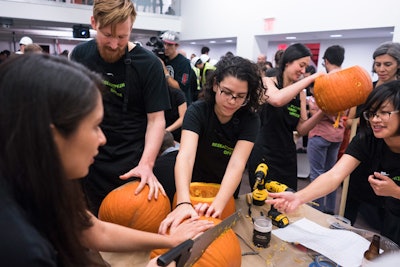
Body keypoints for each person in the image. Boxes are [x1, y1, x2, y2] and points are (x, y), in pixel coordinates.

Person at [0, 53, 213, 266]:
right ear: (52, 136)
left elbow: (91, 229)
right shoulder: (22, 250)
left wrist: (169, 240)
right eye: (94, 127)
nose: (102, 139)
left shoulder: (36, 180)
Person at [267, 80, 400, 246]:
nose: (375, 119)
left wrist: (396, 191)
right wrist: (298, 197)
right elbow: (334, 175)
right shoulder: (368, 139)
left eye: (384, 113)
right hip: (391, 213)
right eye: (371, 113)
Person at [70, 0, 171, 216]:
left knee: (128, 216)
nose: (115, 44)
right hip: (91, 157)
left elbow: (156, 120)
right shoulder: (80, 56)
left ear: (131, 29)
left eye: (122, 37)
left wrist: (147, 164)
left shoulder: (149, 64)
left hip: (133, 160)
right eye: (107, 35)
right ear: (93, 22)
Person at [159, 56, 265, 234]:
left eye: (240, 97)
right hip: (192, 187)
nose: (232, 101)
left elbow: (236, 164)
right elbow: (186, 156)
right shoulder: (198, 111)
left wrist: (219, 204)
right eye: (227, 92)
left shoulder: (250, 120)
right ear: (216, 85)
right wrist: (184, 201)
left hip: (224, 189)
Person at [248, 43, 324, 191]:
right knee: (262, 202)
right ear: (288, 62)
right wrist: (310, 79)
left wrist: (323, 112)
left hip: (287, 156)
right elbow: (277, 100)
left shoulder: (300, 93)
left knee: (286, 201)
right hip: (265, 154)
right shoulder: (266, 82)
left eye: (305, 67)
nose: (303, 71)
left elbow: (301, 129)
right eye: (301, 65)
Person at [344, 41, 400, 229]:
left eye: (387, 64)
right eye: (378, 64)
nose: (381, 68)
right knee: (353, 198)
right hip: (366, 150)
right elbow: (350, 121)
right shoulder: (365, 89)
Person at [307, 45, 346, 214]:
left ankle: (316, 211)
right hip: (338, 134)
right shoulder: (348, 79)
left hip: (321, 132)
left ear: (326, 61)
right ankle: (329, 210)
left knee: (317, 175)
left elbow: (318, 108)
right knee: (332, 175)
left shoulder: (324, 81)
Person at [160, 30, 193, 105]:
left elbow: (180, 87)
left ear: (176, 46)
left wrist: (164, 69)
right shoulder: (163, 59)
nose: (166, 47)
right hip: (167, 102)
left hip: (180, 104)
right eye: (164, 44)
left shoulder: (184, 63)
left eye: (169, 45)